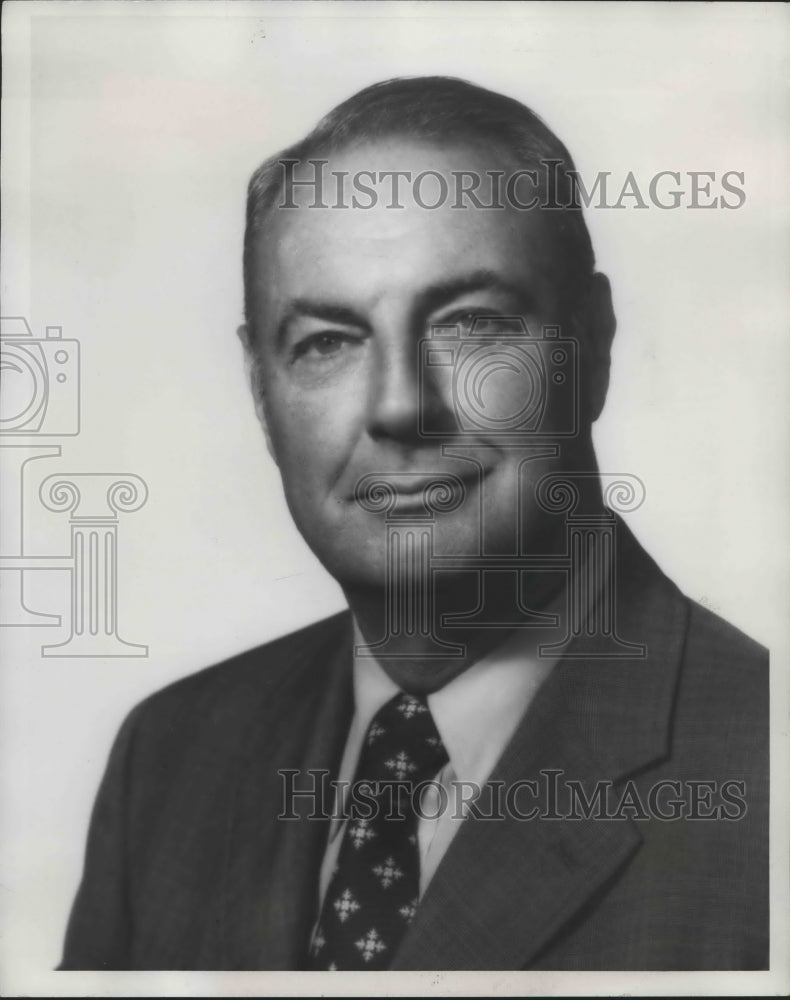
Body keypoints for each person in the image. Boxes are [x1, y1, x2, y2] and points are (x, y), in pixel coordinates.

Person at [60, 76, 768, 972]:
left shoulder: (761, 772)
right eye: (327, 341)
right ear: (260, 392)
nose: (400, 408)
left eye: (469, 324)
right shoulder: (168, 758)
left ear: (591, 347)